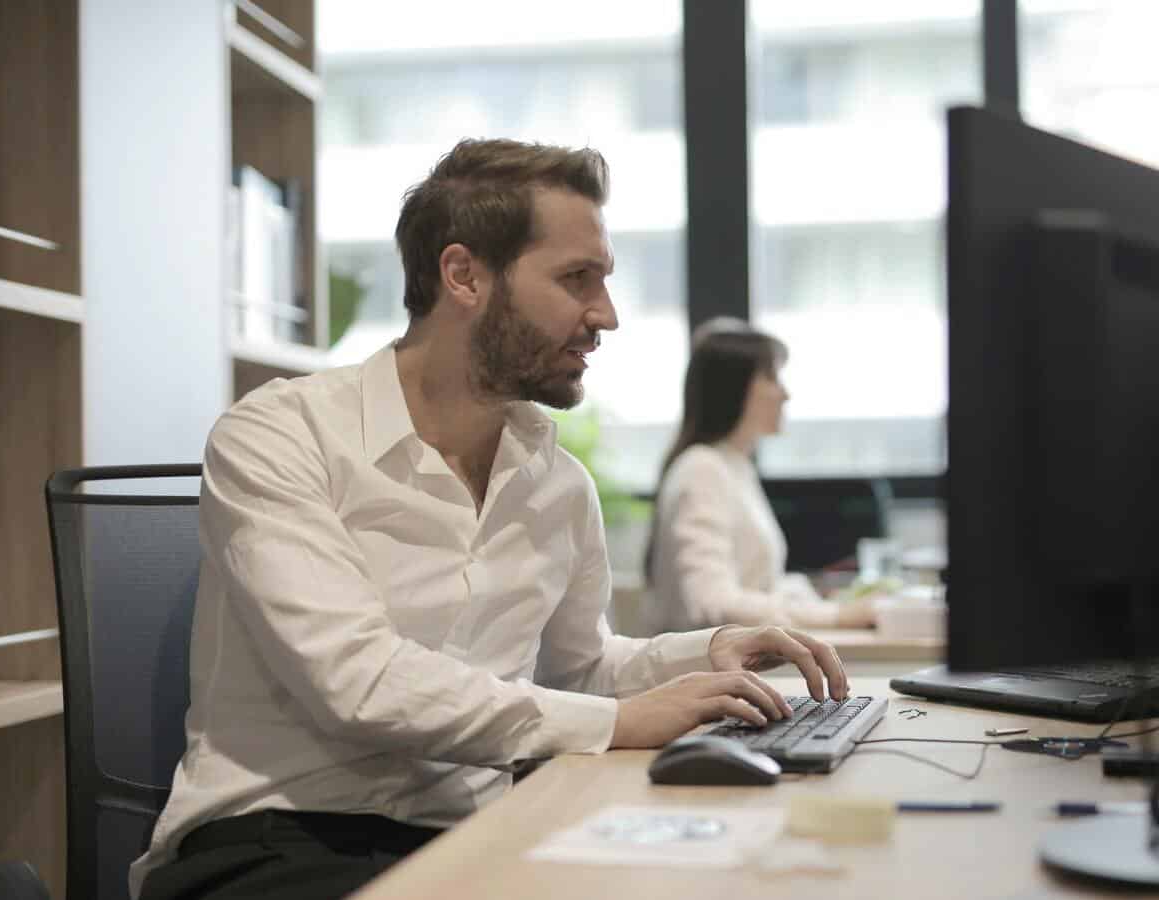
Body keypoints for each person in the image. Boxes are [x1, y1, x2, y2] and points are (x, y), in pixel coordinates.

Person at [133, 140, 850, 900]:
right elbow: (359, 682)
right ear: (464, 275)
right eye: (578, 279)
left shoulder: (556, 483)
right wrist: (618, 723)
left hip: (474, 835)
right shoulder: (279, 435)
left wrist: (705, 653)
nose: (604, 316)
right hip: (280, 840)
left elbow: (578, 670)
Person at [643, 317, 877, 635]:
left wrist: (830, 606)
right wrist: (836, 616)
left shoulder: (734, 466)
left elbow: (764, 587)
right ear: (735, 387)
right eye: (772, 377)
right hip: (708, 673)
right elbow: (712, 601)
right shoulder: (702, 469)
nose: (785, 394)